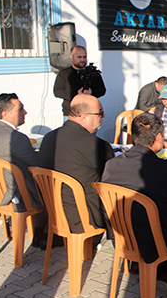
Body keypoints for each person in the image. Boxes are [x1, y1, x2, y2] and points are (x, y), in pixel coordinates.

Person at [101, 113, 167, 289]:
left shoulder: (111, 165)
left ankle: (136, 264)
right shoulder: (166, 170)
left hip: (122, 236)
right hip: (158, 243)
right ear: (158, 137)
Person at [0, 93, 46, 246]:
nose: (25, 112)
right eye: (21, 109)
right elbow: (37, 162)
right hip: (20, 193)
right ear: (5, 113)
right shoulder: (15, 138)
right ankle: (49, 232)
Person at [38, 94, 114, 233]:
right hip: (83, 216)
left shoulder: (49, 138)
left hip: (52, 210)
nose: (103, 117)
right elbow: (114, 177)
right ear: (83, 117)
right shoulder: (95, 146)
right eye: (100, 113)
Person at [53, 46, 106, 118]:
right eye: (79, 57)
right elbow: (57, 91)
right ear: (72, 57)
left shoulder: (93, 72)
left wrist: (91, 92)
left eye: (84, 57)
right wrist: (77, 95)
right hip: (71, 112)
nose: (82, 59)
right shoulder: (64, 73)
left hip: (90, 113)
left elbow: (102, 90)